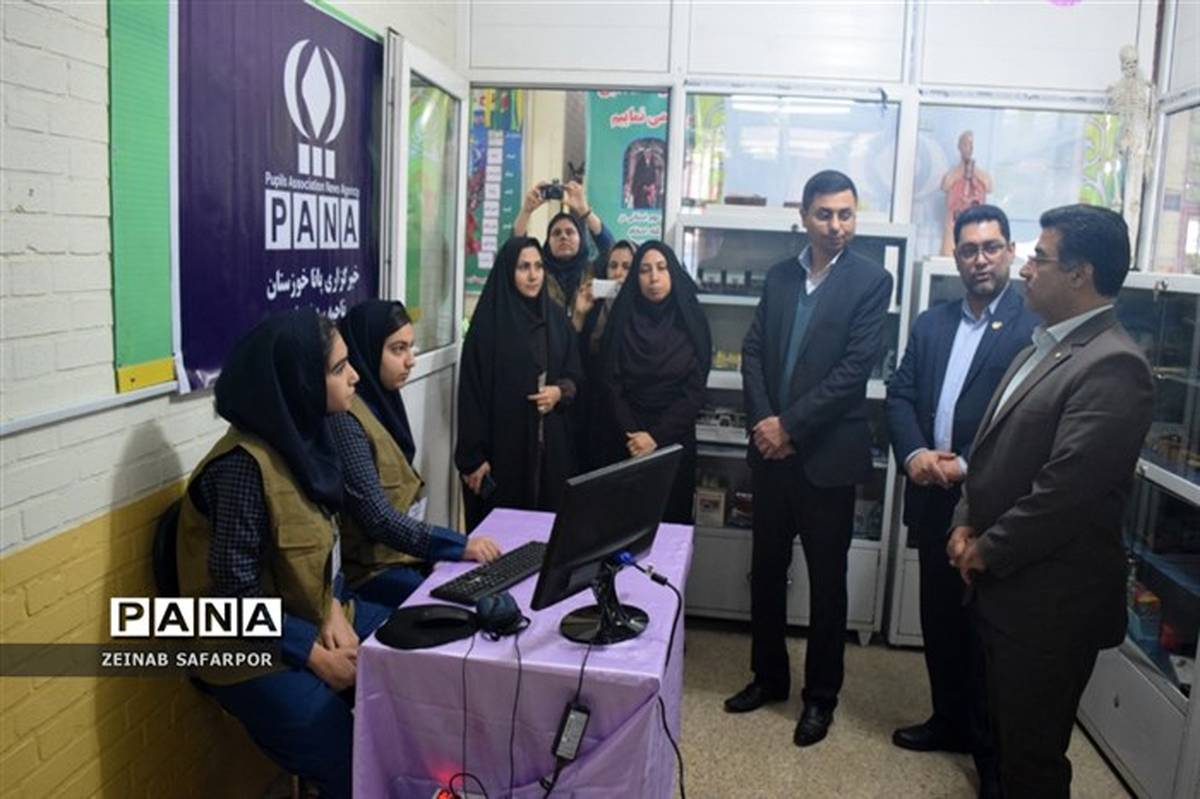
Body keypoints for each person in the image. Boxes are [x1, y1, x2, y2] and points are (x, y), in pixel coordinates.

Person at [946, 204, 1153, 797]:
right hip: (1005, 590)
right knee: (1005, 743)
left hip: (1049, 606)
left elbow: (1065, 493)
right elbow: (989, 453)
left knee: (1032, 760)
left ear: (1080, 273)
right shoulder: (1040, 347)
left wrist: (986, 549)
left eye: (1040, 257)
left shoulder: (1113, 364)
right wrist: (964, 520)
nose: (1026, 268)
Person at [175, 308, 388, 799]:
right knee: (352, 762)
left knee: (412, 653)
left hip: (306, 616)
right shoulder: (242, 469)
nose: (355, 376)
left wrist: (331, 607)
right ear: (300, 382)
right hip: (244, 650)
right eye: (339, 368)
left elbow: (322, 544)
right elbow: (233, 598)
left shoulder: (304, 444)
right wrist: (314, 655)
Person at [725, 170, 893, 748]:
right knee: (766, 572)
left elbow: (853, 372)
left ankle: (821, 697)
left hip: (826, 458)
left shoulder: (872, 281)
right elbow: (752, 351)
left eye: (846, 214)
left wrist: (790, 426)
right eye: (825, 214)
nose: (836, 225)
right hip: (771, 456)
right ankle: (768, 677)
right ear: (804, 217)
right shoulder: (780, 277)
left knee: (827, 585)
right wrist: (764, 423)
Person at [885, 205, 1037, 799]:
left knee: (988, 637)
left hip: (992, 506)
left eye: (991, 247)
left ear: (1011, 251)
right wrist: (915, 454)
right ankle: (946, 720)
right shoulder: (932, 323)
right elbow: (900, 395)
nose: (980, 260)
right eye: (969, 249)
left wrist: (966, 464)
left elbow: (1027, 423)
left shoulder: (1032, 328)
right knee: (941, 621)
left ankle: (991, 756)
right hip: (931, 495)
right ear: (956, 256)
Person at [330, 300, 501, 607]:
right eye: (398, 349)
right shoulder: (346, 420)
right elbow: (378, 517)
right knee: (458, 608)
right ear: (368, 349)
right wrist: (455, 545)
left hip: (402, 557)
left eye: (411, 347)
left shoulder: (383, 403)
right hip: (371, 574)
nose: (410, 361)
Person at [456, 236, 584, 530]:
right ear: (508, 271)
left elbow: (575, 373)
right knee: (503, 534)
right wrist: (472, 457)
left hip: (549, 450)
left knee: (547, 533)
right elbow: (471, 394)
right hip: (503, 448)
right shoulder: (489, 324)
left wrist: (559, 392)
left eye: (538, 266)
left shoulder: (555, 318)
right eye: (524, 267)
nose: (533, 275)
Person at [596, 241, 711, 521]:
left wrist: (656, 437)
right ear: (636, 278)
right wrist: (635, 435)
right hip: (626, 441)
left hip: (674, 441)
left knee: (671, 524)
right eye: (645, 270)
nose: (654, 278)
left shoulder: (691, 320)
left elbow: (695, 390)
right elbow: (610, 382)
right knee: (622, 524)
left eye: (661, 268)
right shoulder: (622, 319)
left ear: (673, 273)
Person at [513, 179, 614, 321]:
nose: (563, 237)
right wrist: (526, 211)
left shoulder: (593, 271)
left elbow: (610, 249)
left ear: (581, 239)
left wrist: (584, 211)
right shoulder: (537, 274)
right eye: (556, 233)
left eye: (570, 232)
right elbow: (514, 251)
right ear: (548, 242)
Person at [574, 240, 636, 471]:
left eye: (627, 267)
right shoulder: (597, 309)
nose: (618, 273)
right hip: (594, 408)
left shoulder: (643, 312)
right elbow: (575, 355)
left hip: (629, 412)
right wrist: (580, 314)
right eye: (613, 266)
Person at [940, 131, 993, 256]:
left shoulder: (981, 176)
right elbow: (945, 185)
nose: (970, 148)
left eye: (971, 145)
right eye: (966, 144)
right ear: (959, 147)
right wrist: (963, 169)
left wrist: (973, 170)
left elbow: (989, 186)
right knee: (949, 251)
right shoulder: (952, 175)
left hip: (974, 221)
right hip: (955, 219)